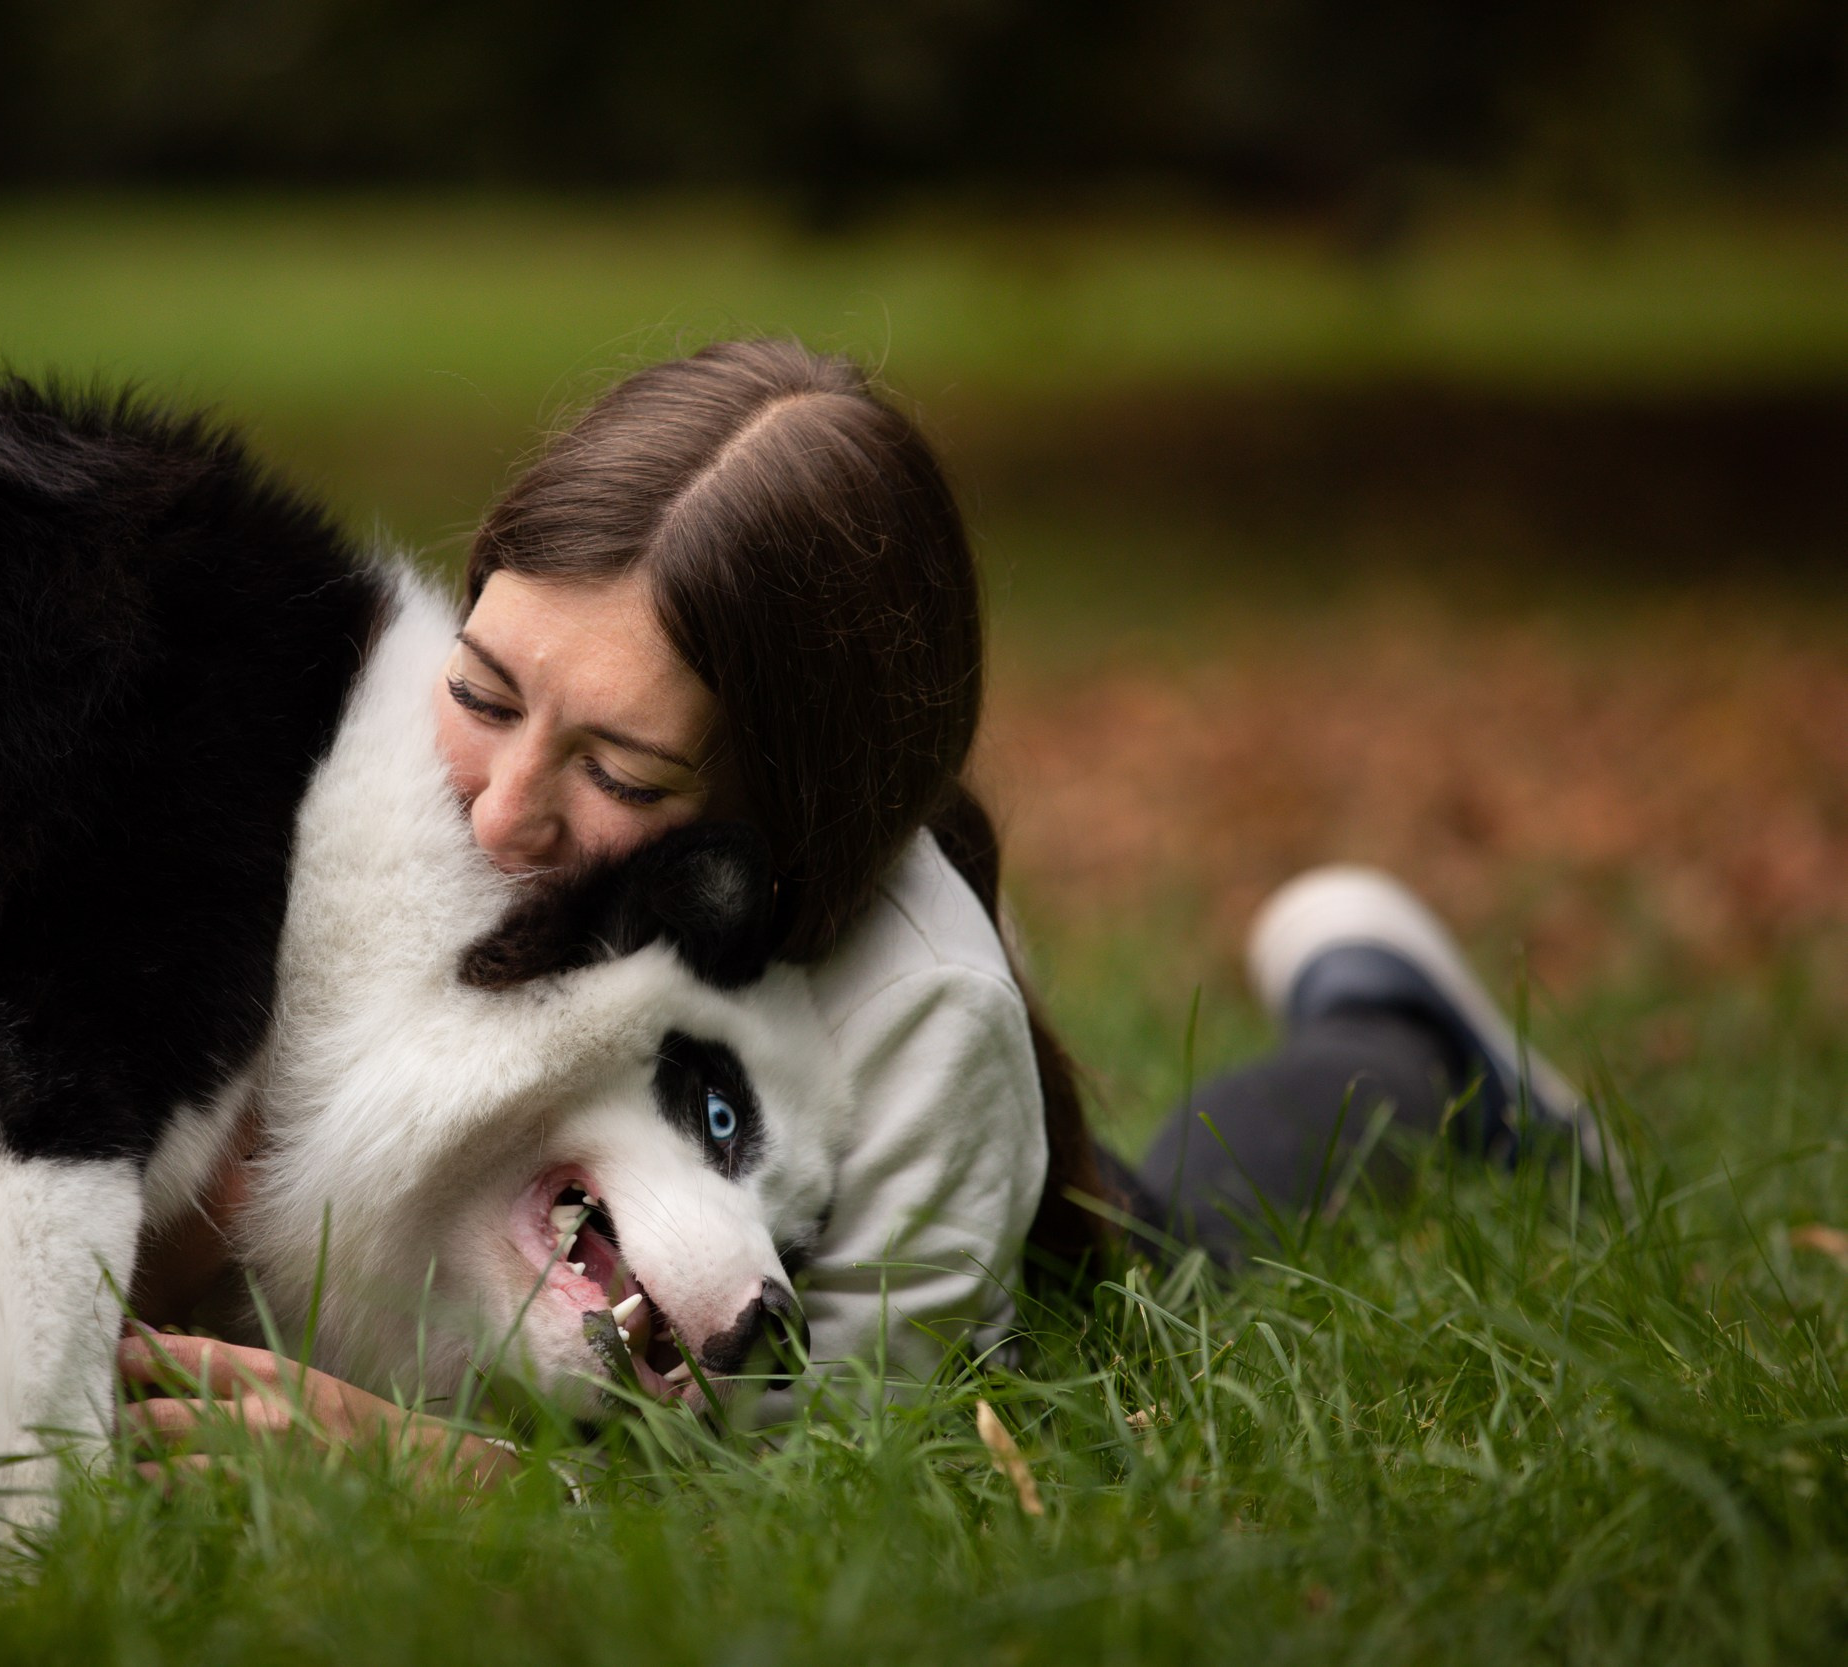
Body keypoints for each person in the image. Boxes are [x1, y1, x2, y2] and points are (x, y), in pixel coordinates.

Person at [116, 339, 1601, 1480]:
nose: (498, 812)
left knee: (1196, 1226)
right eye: (487, 691)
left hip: (976, 1273)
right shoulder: (370, 767)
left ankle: (1408, 1042)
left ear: (795, 793)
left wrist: (451, 1473)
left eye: (621, 767)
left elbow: (838, 1488)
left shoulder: (922, 1025)